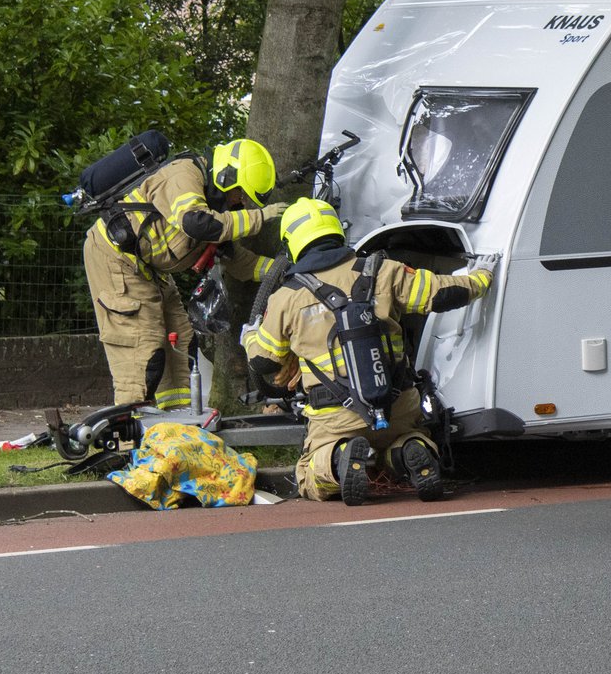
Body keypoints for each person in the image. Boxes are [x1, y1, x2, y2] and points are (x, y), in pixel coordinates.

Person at [242, 196, 497, 505]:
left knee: (308, 474)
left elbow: (264, 362)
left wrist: (251, 336)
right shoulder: (383, 270)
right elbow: (445, 294)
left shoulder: (286, 297)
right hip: (398, 406)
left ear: (292, 243)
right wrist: (482, 276)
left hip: (336, 418)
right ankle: (409, 449)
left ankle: (338, 457)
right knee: (406, 436)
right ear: (335, 231)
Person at [84, 136, 286, 408]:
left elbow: (237, 261)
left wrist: (283, 271)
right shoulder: (184, 175)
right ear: (227, 176)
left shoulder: (217, 209)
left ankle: (175, 429)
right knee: (144, 350)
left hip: (149, 269)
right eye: (241, 193)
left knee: (181, 343)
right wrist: (259, 219)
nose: (241, 202)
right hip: (116, 260)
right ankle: (127, 440)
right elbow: (196, 223)